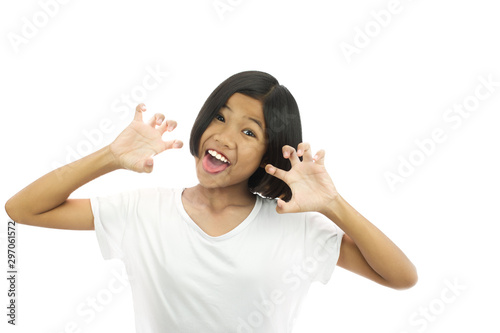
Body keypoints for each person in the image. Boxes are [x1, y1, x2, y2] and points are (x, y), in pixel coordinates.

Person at [5, 70, 417, 332]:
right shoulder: (143, 210)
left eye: (249, 132)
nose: (224, 136)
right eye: (220, 117)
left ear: (271, 152)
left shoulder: (295, 226)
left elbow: (402, 277)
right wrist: (110, 157)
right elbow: (22, 209)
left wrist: (332, 204)